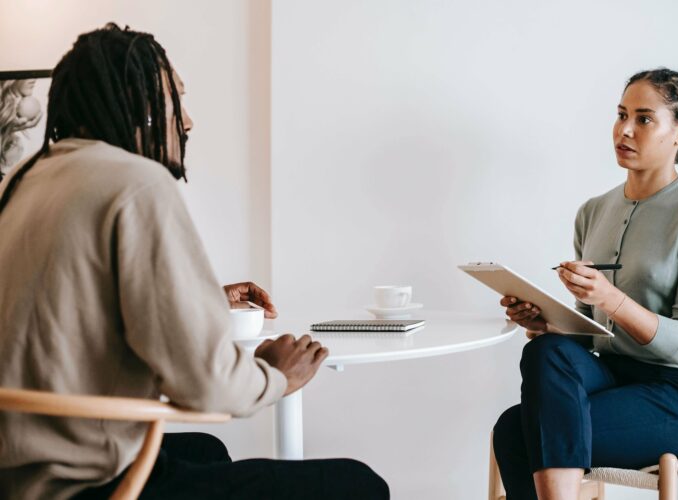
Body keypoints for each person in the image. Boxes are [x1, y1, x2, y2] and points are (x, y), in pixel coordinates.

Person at [0, 24, 389, 500]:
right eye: (174, 98)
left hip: (18, 473)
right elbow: (207, 386)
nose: (186, 121)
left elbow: (70, 307)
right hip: (87, 484)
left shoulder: (28, 180)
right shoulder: (136, 183)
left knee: (207, 450)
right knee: (358, 484)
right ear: (136, 103)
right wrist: (275, 376)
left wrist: (198, 297)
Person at [492, 68, 678, 499]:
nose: (624, 130)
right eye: (621, 114)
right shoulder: (592, 211)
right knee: (544, 352)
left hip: (675, 397)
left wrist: (612, 298)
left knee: (518, 431)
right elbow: (590, 332)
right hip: (609, 375)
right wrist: (545, 321)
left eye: (644, 119)